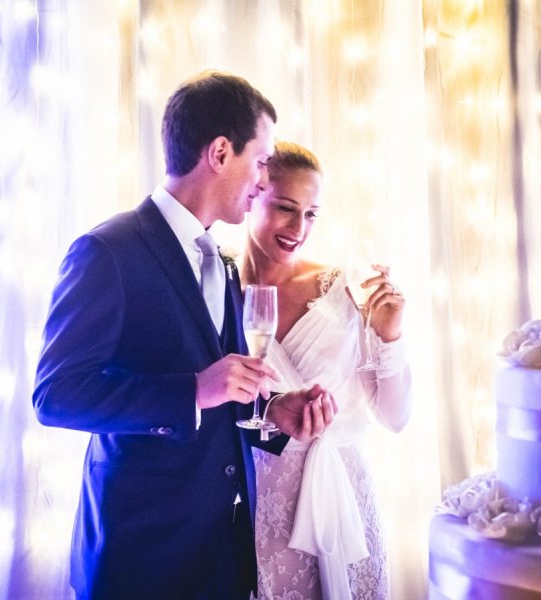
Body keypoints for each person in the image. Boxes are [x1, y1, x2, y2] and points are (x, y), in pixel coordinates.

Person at [33, 73, 337, 600]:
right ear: (220, 152)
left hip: (222, 559)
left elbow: (226, 397)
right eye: (261, 161)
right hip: (141, 557)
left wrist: (274, 414)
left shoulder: (220, 260)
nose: (265, 181)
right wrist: (193, 390)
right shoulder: (107, 252)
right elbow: (55, 397)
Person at [242, 142, 412, 600]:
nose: (299, 228)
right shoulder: (217, 291)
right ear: (251, 193)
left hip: (344, 503)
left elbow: (395, 418)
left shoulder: (343, 290)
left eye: (312, 213)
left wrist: (390, 335)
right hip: (260, 507)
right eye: (285, 207)